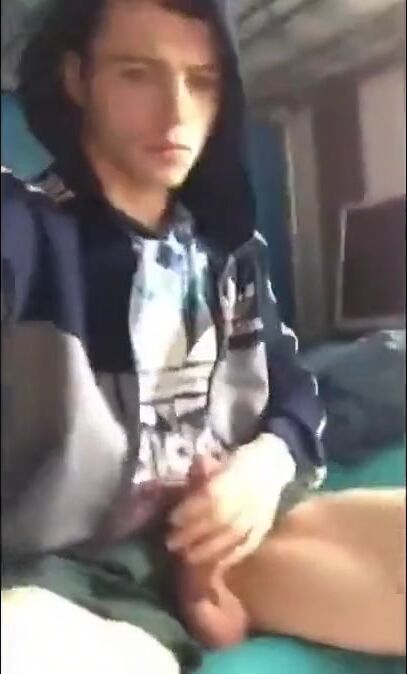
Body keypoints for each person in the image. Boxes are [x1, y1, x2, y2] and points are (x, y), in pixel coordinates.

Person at [1, 0, 404, 668]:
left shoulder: (228, 255)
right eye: (137, 74)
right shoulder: (23, 230)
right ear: (77, 79)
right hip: (72, 577)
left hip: (227, 541)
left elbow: (294, 393)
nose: (176, 113)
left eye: (202, 81)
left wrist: (265, 466)